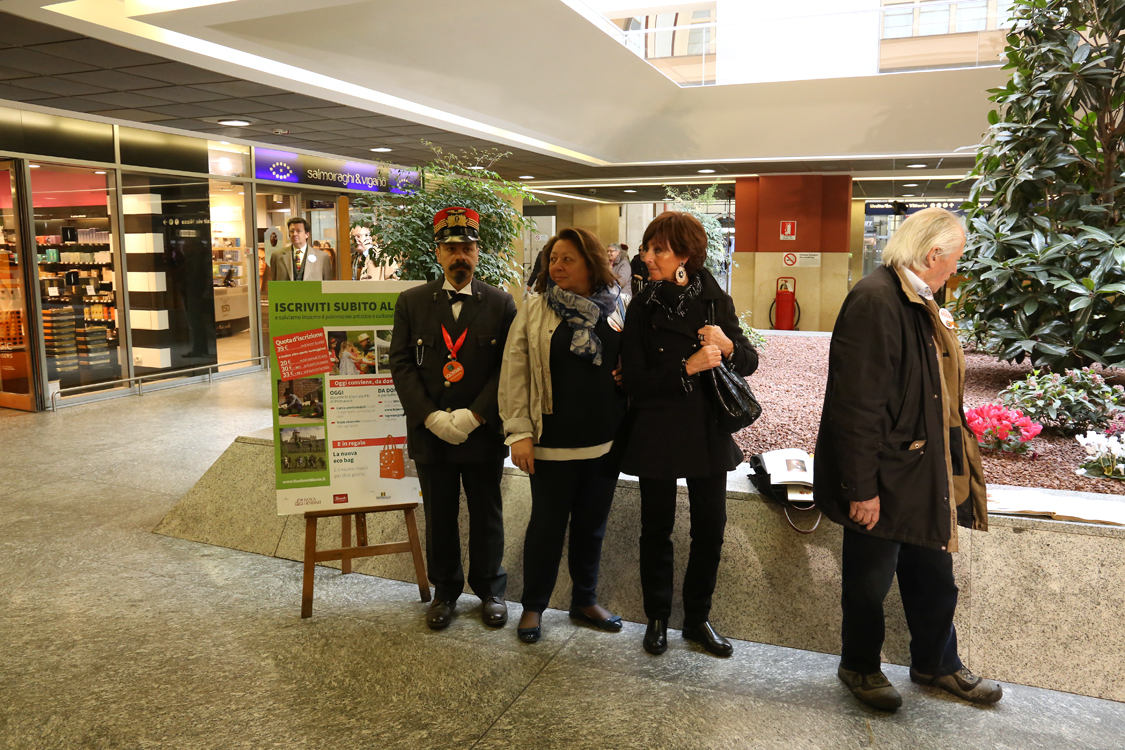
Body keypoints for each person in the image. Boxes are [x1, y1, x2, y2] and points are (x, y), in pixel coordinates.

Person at [814, 207, 1000, 711]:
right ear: (932, 253)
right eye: (954, 260)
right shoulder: (876, 300)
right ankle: (859, 667)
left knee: (934, 576)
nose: (955, 271)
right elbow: (856, 406)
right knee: (869, 583)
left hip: (922, 472)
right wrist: (861, 488)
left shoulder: (919, 297)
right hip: (884, 477)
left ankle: (936, 663)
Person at [619, 212, 758, 658]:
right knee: (656, 529)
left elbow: (748, 361)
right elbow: (635, 379)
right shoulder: (642, 304)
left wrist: (728, 344)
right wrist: (686, 367)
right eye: (647, 248)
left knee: (710, 529)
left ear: (685, 255)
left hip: (705, 428)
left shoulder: (715, 299)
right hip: (657, 428)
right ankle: (657, 617)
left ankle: (697, 618)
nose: (647, 257)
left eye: (658, 249)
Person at [389, 206, 518, 630]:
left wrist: (475, 415)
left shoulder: (500, 303)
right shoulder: (411, 302)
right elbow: (402, 364)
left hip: (481, 432)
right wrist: (430, 418)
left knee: (487, 513)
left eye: (467, 248)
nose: (459, 255)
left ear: (478, 253)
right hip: (432, 435)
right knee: (439, 515)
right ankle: (445, 592)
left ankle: (490, 591)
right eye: (451, 248)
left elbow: (507, 367)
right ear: (438, 253)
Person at [498, 227, 628, 644]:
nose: (556, 266)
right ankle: (534, 605)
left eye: (567, 258)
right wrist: (518, 432)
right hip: (550, 441)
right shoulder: (534, 310)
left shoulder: (617, 306)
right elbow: (513, 373)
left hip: (604, 441)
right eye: (553, 258)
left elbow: (628, 360)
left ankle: (584, 600)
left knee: (592, 526)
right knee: (546, 527)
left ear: (591, 263)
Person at [268, 217, 335, 281]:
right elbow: (274, 282)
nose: (294, 234)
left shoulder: (322, 257)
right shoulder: (277, 256)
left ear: (307, 234)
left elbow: (327, 284)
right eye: (292, 231)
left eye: (298, 231)